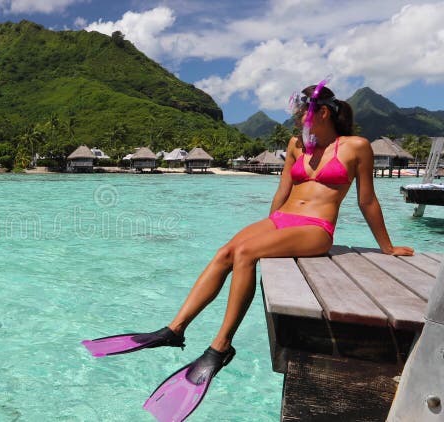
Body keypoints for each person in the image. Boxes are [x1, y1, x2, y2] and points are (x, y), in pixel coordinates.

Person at [82, 80, 414, 421]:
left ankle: (221, 346)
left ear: (323, 113)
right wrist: (270, 228)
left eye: (303, 115)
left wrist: (386, 247)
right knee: (228, 250)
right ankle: (175, 329)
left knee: (246, 255)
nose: (298, 121)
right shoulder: (297, 144)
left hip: (316, 229)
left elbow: (367, 199)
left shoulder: (356, 146)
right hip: (284, 220)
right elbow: (283, 190)